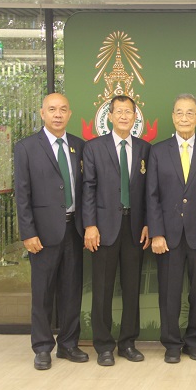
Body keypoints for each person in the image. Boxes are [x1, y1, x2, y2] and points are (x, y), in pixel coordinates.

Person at [146, 93, 196, 364]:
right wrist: (156, 233)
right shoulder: (158, 151)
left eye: (190, 113)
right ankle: (171, 344)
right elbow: (152, 196)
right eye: (179, 112)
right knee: (169, 293)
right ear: (172, 117)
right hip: (168, 236)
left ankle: (195, 342)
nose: (184, 117)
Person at [14, 93, 88, 370]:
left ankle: (68, 344)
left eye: (63, 110)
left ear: (70, 114)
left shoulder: (79, 146)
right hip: (42, 233)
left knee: (71, 290)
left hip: (74, 229)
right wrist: (28, 232)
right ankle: (43, 347)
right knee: (43, 292)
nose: (58, 114)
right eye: (52, 109)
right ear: (42, 113)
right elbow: (22, 194)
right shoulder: (26, 148)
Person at [82, 95, 151, 366]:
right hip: (103, 228)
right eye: (119, 111)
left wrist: (148, 223)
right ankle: (104, 346)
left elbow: (149, 192)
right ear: (109, 116)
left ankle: (128, 343)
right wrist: (90, 225)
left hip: (134, 228)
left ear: (135, 117)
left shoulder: (145, 149)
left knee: (132, 288)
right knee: (102, 289)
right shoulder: (94, 148)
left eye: (128, 112)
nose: (124, 116)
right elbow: (88, 188)